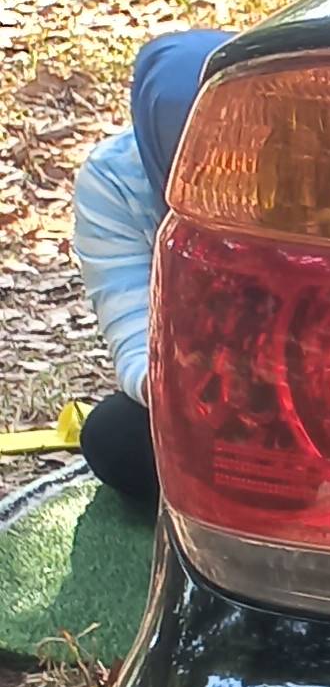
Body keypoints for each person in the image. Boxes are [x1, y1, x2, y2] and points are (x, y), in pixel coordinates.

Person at [70, 30, 225, 513]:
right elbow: (135, 340)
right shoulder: (114, 182)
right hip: (207, 395)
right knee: (116, 438)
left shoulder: (327, 164)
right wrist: (206, 397)